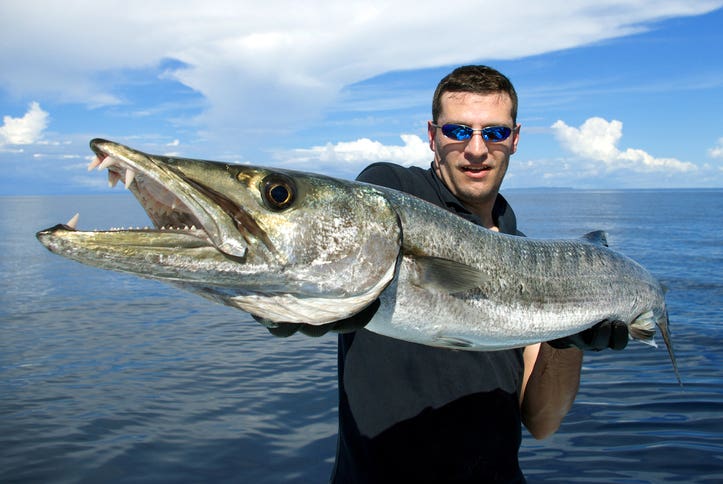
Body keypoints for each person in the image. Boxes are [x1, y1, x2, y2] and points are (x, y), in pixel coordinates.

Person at [261, 65, 628, 483]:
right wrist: (283, 300)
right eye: (457, 131)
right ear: (432, 136)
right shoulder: (391, 193)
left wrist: (568, 342)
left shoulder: (526, 253)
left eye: (494, 132)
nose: (475, 149)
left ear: (515, 139)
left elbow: (543, 422)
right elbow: (340, 242)